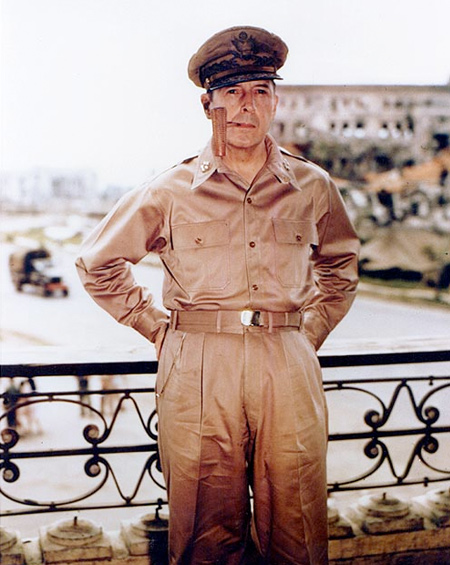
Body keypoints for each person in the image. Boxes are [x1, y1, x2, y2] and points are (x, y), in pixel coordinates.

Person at [76, 25, 360, 565]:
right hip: (200, 367)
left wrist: (307, 334)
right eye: (231, 93)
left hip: (287, 363)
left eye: (259, 91)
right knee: (205, 533)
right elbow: (98, 264)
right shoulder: (169, 190)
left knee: (298, 529)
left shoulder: (313, 185)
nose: (246, 106)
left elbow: (340, 267)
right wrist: (157, 328)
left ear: (275, 101)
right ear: (209, 105)